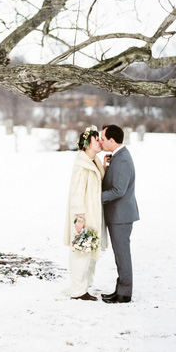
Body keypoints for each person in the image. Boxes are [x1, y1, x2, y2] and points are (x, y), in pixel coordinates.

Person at [64, 126, 107, 301]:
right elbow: (77, 192)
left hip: (93, 213)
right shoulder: (81, 165)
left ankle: (84, 286)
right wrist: (79, 217)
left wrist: (103, 166)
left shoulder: (93, 161)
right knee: (81, 251)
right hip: (83, 215)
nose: (100, 142)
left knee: (90, 251)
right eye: (97, 139)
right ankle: (77, 290)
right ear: (88, 143)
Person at [100, 124, 139, 304]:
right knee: (119, 255)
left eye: (103, 138)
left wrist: (94, 198)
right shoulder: (117, 157)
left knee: (122, 255)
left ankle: (124, 293)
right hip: (118, 215)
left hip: (121, 216)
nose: (101, 141)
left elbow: (118, 190)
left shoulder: (122, 159)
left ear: (112, 140)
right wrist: (107, 166)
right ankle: (120, 290)